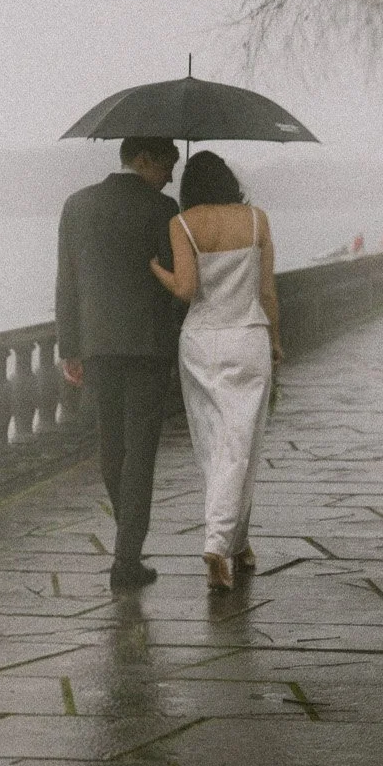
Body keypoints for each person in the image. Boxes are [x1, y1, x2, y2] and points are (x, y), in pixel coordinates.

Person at [148, 150, 281, 592]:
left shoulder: (182, 224)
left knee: (213, 444)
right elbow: (267, 293)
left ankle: (233, 541)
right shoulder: (257, 220)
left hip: (201, 341)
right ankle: (220, 542)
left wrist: (156, 270)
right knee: (242, 441)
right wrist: (276, 340)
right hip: (247, 338)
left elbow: (185, 290)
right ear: (228, 181)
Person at [56, 135, 182, 590]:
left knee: (111, 446)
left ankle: (127, 542)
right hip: (149, 347)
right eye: (168, 165)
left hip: (97, 345)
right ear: (144, 159)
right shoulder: (164, 211)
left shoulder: (77, 205)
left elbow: (66, 281)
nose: (171, 175)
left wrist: (69, 344)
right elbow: (176, 287)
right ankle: (127, 557)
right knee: (141, 452)